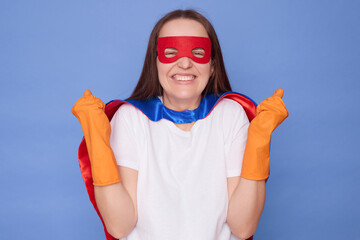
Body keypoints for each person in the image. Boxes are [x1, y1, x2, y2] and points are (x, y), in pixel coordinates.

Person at [72, 9, 288, 240]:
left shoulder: (230, 115)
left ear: (212, 66)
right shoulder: (131, 118)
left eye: (197, 52)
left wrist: (259, 139)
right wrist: (97, 139)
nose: (185, 63)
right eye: (171, 52)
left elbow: (243, 227)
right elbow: (119, 226)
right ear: (155, 63)